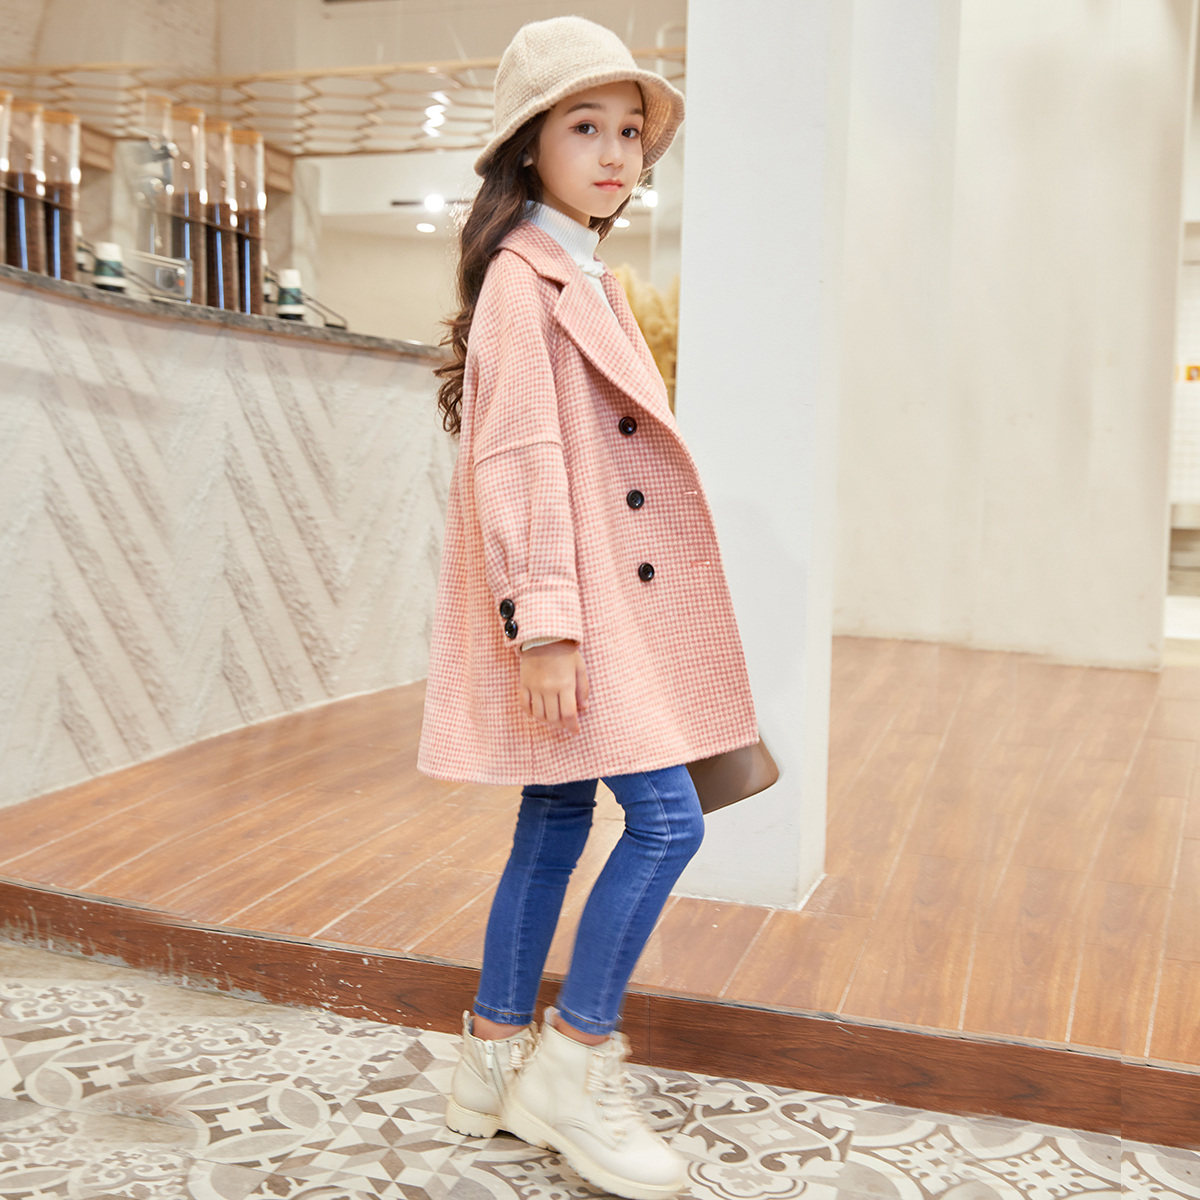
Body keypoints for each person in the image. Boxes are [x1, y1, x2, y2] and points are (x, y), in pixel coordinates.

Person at [417, 15, 759, 1200]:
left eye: (628, 132)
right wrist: (547, 623)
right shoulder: (529, 279)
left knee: (558, 815)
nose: (616, 154)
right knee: (668, 823)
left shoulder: (575, 270)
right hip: (580, 611)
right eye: (584, 127)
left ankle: (490, 1059)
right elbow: (518, 461)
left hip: (600, 600)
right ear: (530, 145)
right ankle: (573, 1064)